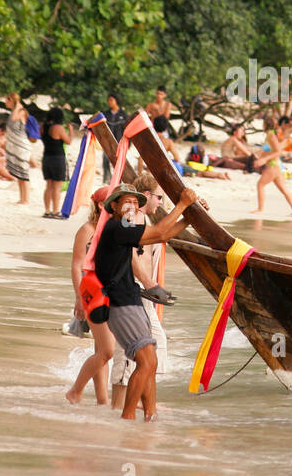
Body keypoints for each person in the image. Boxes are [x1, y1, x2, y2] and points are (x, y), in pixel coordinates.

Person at [96, 183, 199, 421]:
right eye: (126, 202)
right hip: (121, 303)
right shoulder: (117, 226)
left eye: (135, 202)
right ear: (114, 206)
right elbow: (161, 233)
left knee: (149, 363)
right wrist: (183, 204)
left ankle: (149, 417)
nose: (132, 206)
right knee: (146, 361)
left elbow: (163, 234)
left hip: (130, 299)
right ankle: (128, 417)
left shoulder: (123, 227)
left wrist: (187, 218)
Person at [111, 173, 174, 411]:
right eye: (159, 197)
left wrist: (189, 211)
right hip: (133, 294)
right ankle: (124, 407)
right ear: (147, 195)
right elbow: (130, 254)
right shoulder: (133, 217)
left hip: (140, 295)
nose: (161, 203)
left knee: (146, 352)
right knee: (135, 354)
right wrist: (150, 284)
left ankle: (144, 405)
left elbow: (164, 232)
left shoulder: (141, 218)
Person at [67, 188, 119, 405]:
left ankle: (102, 400)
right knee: (107, 350)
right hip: (91, 292)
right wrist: (79, 298)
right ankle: (75, 391)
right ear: (101, 205)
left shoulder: (113, 229)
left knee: (101, 350)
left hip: (111, 292)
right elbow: (77, 265)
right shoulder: (87, 230)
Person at [251, 121, 292, 217]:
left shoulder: (271, 135)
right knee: (284, 189)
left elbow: (278, 152)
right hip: (276, 165)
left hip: (273, 165)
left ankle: (260, 209)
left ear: (265, 124)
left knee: (260, 184)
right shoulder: (269, 135)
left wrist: (264, 159)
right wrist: (258, 156)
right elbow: (268, 150)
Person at [41, 107, 72, 218]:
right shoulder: (58, 128)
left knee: (48, 185)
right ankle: (55, 211)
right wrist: (71, 131)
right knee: (57, 187)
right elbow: (68, 141)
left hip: (46, 158)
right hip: (57, 158)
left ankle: (47, 210)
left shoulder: (43, 126)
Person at [3, 93, 32, 205]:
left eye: (7, 100)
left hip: (22, 146)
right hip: (15, 145)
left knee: (24, 173)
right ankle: (22, 198)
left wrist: (18, 106)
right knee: (19, 173)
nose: (5, 102)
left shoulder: (21, 111)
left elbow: (15, 119)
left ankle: (26, 199)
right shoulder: (14, 111)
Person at [101, 94, 129, 180]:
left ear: (116, 101)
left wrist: (128, 144)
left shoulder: (123, 114)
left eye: (111, 100)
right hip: (107, 142)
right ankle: (107, 179)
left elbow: (127, 129)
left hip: (119, 142)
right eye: (108, 100)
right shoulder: (105, 114)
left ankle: (119, 179)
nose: (109, 102)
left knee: (119, 162)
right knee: (105, 160)